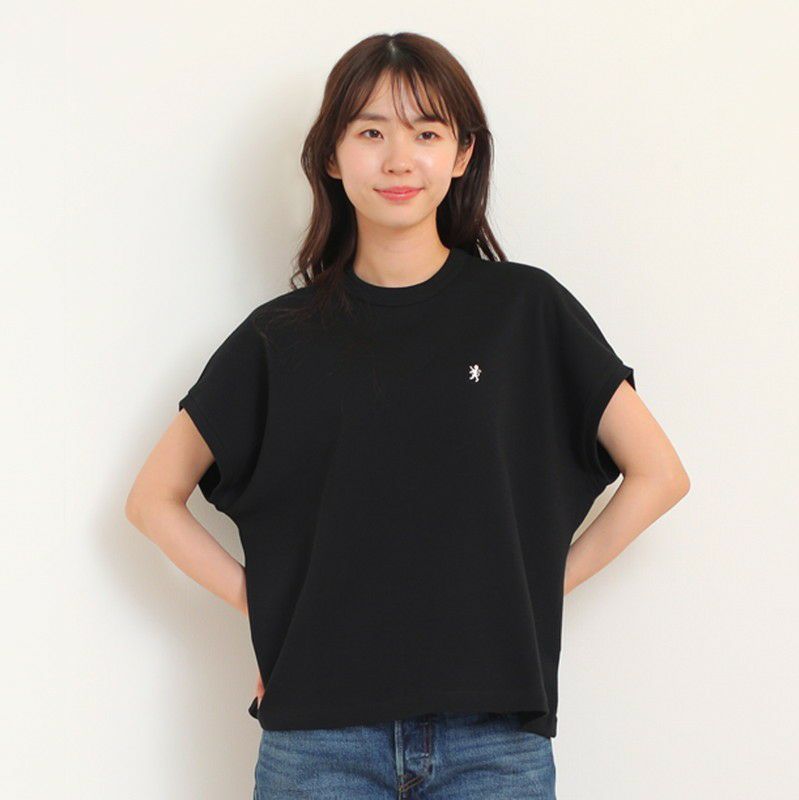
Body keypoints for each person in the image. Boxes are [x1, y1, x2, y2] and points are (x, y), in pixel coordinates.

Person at [125, 31, 690, 800]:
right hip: (319, 741)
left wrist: (534, 590)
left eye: (426, 133)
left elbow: (659, 474)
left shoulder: (525, 312)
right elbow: (152, 499)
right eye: (371, 133)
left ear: (462, 154)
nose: (399, 159)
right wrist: (269, 608)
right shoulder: (278, 339)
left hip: (493, 742)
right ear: (331, 156)